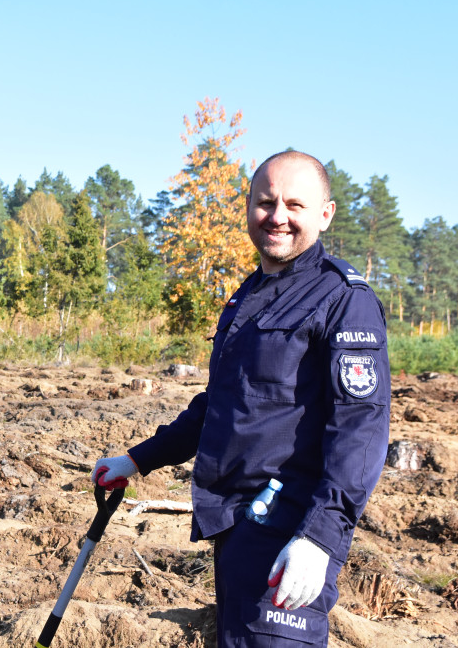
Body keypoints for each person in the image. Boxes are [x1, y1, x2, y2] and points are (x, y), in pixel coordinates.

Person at [93, 151, 389, 647]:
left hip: (290, 527)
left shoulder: (343, 299)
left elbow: (360, 428)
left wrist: (320, 539)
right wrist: (137, 460)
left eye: (295, 204)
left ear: (326, 213)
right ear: (248, 207)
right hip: (235, 523)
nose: (278, 216)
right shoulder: (247, 297)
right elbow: (221, 404)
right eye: (265, 202)